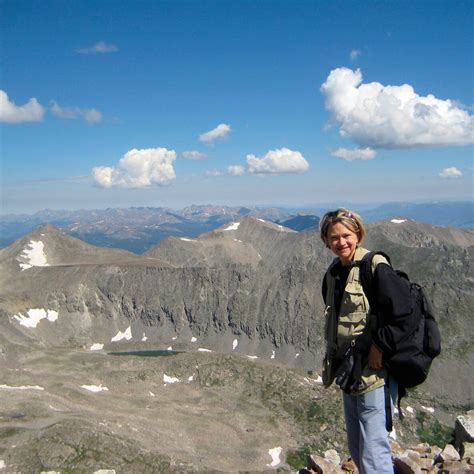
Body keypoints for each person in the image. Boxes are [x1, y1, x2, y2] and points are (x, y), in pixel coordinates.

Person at [319, 208, 412, 474]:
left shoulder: (375, 266)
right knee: (358, 447)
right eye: (334, 237)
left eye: (346, 235)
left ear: (358, 234)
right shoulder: (334, 273)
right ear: (326, 241)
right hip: (349, 371)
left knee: (373, 449)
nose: (341, 242)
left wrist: (380, 346)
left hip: (375, 375)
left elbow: (403, 312)